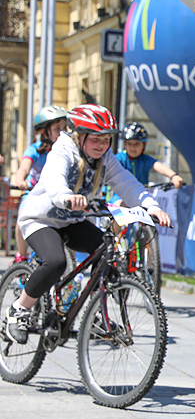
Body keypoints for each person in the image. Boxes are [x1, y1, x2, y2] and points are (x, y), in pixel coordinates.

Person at [4, 104, 171, 344]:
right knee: (56, 262)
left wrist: (151, 206)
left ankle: (93, 312)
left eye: (106, 140)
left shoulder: (105, 157)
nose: (102, 145)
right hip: (41, 219)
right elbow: (54, 179)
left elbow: (127, 182)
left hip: (72, 221)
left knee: (107, 253)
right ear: (79, 135)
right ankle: (18, 311)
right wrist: (66, 197)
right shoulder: (63, 150)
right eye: (96, 139)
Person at [11, 106, 69, 262]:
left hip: (59, 196)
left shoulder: (68, 151)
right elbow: (24, 168)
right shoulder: (35, 150)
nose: (63, 132)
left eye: (65, 127)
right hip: (35, 195)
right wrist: (20, 180)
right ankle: (22, 257)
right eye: (58, 129)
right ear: (44, 132)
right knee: (22, 216)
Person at [116, 123, 185, 188]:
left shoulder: (145, 159)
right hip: (121, 194)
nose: (133, 147)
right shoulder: (119, 158)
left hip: (142, 193)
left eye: (137, 144)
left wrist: (173, 175)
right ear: (125, 144)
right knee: (119, 201)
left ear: (144, 145)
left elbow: (158, 166)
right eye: (129, 144)